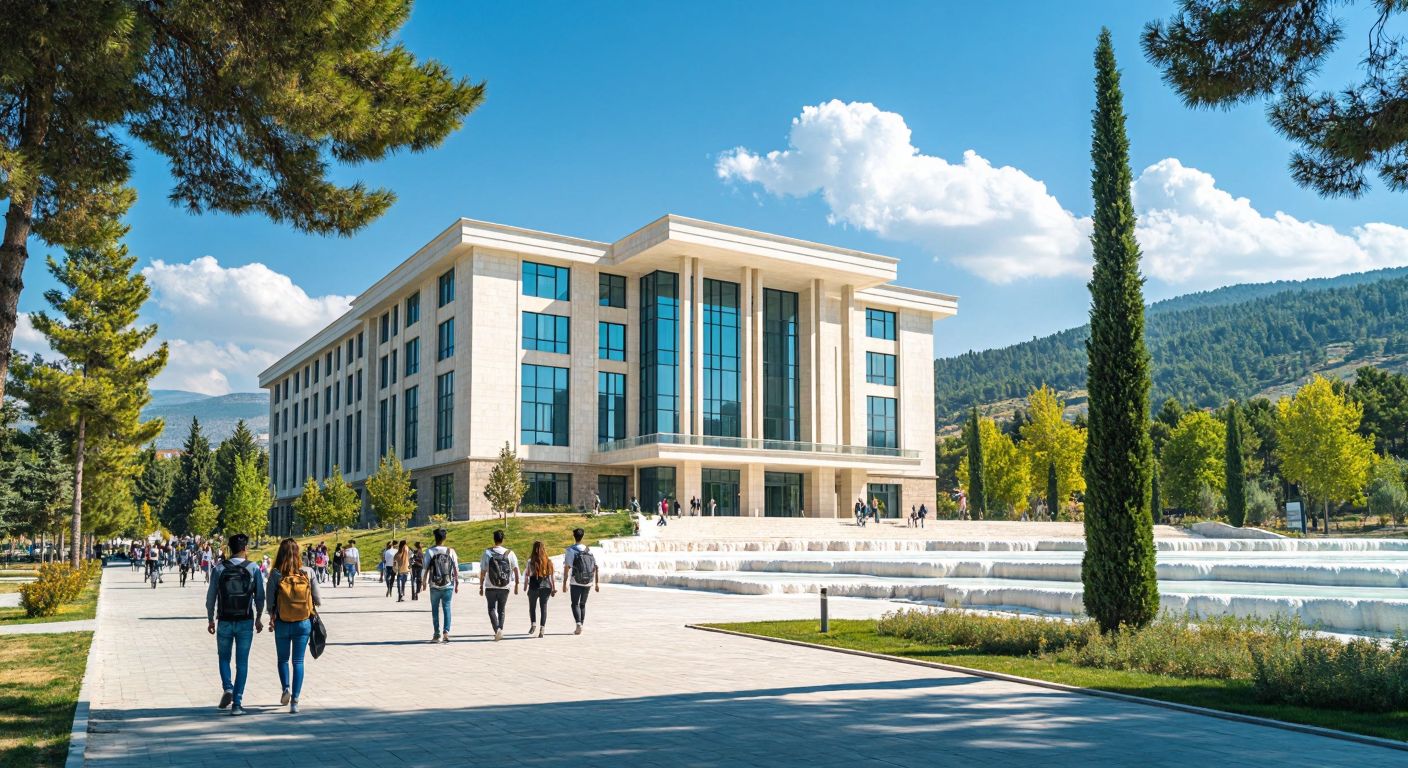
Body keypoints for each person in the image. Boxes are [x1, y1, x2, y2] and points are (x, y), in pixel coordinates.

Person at [205, 533, 265, 716]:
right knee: (242, 663)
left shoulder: (219, 568)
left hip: (224, 620)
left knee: (223, 658)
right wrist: (259, 617)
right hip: (245, 620)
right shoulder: (253, 568)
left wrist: (210, 619)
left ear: (230, 549)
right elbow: (260, 597)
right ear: (245, 548)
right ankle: (237, 703)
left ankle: (228, 687)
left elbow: (210, 598)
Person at [267, 538, 320, 714]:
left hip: (282, 622)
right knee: (298, 661)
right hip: (303, 623)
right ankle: (295, 700)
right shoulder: (308, 572)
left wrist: (272, 615)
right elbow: (318, 600)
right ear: (298, 553)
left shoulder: (275, 574)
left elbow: (269, 603)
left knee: (282, 659)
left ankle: (286, 688)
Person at [478, 529, 519, 641]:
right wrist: (516, 585)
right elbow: (516, 569)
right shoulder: (510, 553)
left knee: (491, 608)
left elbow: (483, 571)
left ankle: (497, 629)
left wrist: (481, 586)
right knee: (501, 609)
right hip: (505, 587)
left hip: (490, 586)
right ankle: (500, 628)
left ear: (494, 539)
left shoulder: (487, 552)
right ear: (503, 539)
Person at [421, 528, 458, 643]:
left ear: (435, 538)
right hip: (448, 584)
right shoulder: (450, 551)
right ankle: (446, 632)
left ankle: (436, 634)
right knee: (447, 608)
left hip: (434, 584)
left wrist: (423, 582)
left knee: (435, 609)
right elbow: (456, 568)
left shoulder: (430, 551)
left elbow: (425, 568)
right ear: (444, 538)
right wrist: (456, 584)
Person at [562, 527, 599, 635]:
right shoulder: (589, 550)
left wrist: (565, 583)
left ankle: (578, 624)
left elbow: (567, 567)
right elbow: (595, 566)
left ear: (574, 536)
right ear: (582, 536)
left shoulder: (570, 550)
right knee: (582, 604)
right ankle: (581, 624)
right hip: (588, 580)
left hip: (575, 581)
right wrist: (597, 583)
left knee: (574, 604)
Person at [524, 540, 555, 638]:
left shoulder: (530, 561)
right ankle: (542, 628)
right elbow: (551, 577)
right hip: (545, 586)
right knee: (544, 608)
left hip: (533, 586)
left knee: (532, 607)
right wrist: (553, 588)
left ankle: (533, 624)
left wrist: (525, 586)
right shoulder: (548, 561)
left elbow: (527, 574)